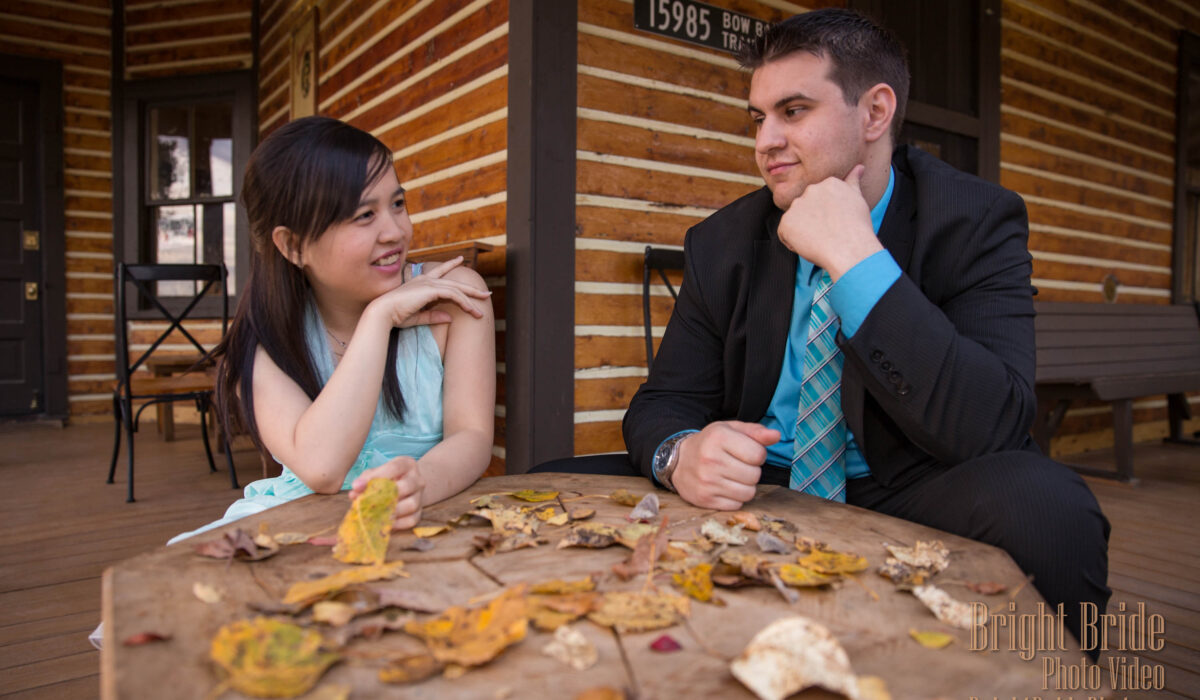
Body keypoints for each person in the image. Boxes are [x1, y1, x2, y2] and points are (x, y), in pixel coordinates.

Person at [621, 9, 1109, 651]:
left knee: (1049, 508)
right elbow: (663, 403)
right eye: (758, 117)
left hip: (906, 484)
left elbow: (997, 424)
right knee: (552, 476)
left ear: (875, 113)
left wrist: (857, 259)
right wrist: (682, 454)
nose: (764, 141)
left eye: (792, 111)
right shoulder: (722, 240)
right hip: (760, 485)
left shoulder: (974, 220)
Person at [172, 115, 496, 541]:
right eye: (364, 215)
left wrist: (420, 485)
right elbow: (323, 468)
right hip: (297, 525)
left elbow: (471, 435)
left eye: (397, 204)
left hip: (429, 515)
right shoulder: (263, 339)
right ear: (292, 245)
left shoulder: (455, 296)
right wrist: (379, 320)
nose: (395, 231)